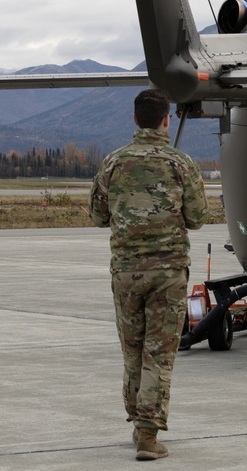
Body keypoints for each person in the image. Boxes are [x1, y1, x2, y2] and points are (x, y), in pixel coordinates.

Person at [89, 88, 208, 461]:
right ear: (166, 120)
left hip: (126, 273)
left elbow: (97, 216)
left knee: (132, 352)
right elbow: (197, 217)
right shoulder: (181, 163)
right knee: (159, 355)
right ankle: (147, 435)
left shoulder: (112, 162)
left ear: (135, 119)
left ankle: (136, 421)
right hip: (168, 273)